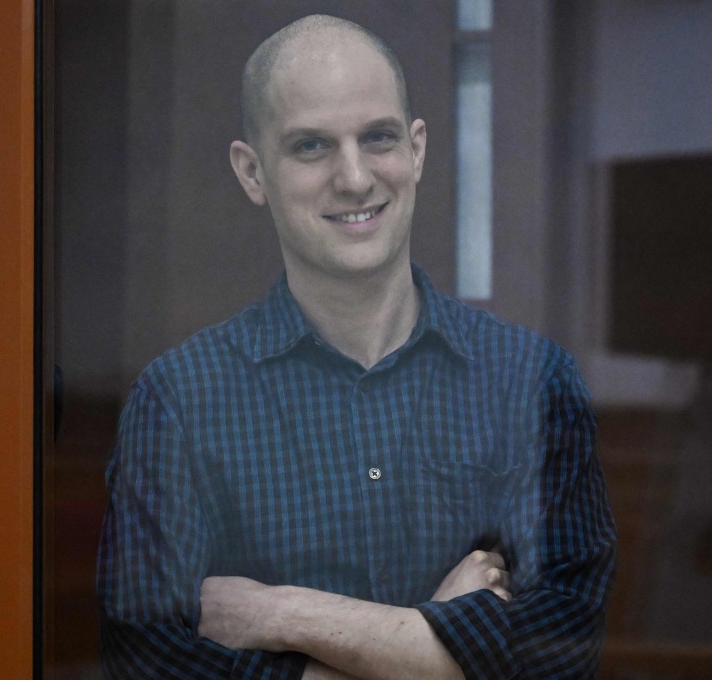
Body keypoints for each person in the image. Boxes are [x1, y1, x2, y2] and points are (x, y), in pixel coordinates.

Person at [97, 14, 615, 680]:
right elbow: (146, 663)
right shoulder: (179, 401)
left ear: (418, 149)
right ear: (252, 173)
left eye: (378, 138)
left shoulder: (533, 382)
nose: (354, 177)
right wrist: (440, 646)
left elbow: (558, 655)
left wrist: (284, 615)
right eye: (311, 146)